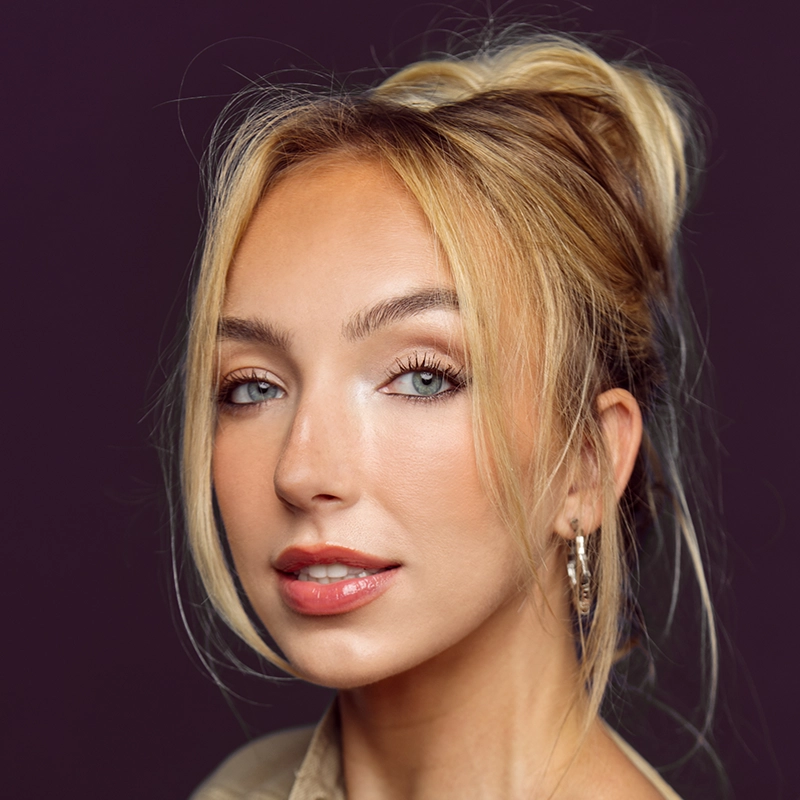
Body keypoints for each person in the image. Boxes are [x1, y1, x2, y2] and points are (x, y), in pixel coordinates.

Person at [176, 31, 717, 800]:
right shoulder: (241, 789)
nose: (302, 472)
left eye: (423, 378)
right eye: (255, 386)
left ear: (587, 463)